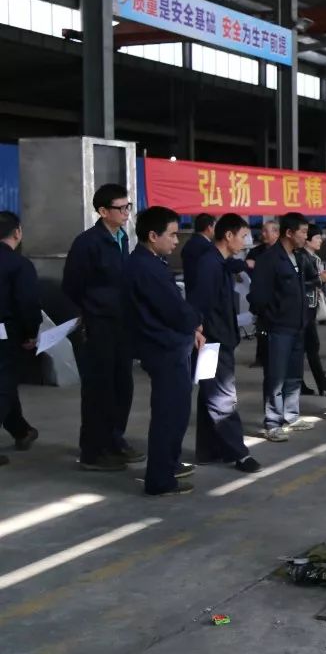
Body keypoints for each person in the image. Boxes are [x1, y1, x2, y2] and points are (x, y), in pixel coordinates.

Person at [123, 206, 205, 496]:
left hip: (167, 345)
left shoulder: (149, 263)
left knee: (174, 412)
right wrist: (195, 321)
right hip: (164, 350)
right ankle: (160, 479)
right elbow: (174, 309)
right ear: (152, 235)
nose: (175, 240)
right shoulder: (146, 268)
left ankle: (169, 465)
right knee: (169, 415)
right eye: (171, 235)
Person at [63, 183, 140, 471]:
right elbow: (71, 286)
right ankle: (93, 452)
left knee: (122, 386)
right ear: (103, 211)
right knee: (99, 389)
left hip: (121, 325)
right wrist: (91, 312)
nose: (126, 213)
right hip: (98, 326)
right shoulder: (87, 243)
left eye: (128, 207)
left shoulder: (122, 238)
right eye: (121, 208)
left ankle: (114, 440)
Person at [188, 213, 261, 473]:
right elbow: (198, 302)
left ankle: (209, 450)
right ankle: (239, 453)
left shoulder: (219, 261)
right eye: (243, 236)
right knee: (222, 397)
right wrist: (198, 330)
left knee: (210, 393)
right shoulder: (209, 264)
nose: (246, 241)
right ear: (228, 236)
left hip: (221, 337)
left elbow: (232, 266)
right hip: (212, 341)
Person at [249, 212, 316, 442]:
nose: (306, 237)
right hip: (278, 328)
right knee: (275, 377)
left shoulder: (297, 256)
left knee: (294, 375)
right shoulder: (269, 259)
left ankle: (291, 415)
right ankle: (272, 422)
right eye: (303, 232)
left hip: (297, 326)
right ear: (289, 233)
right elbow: (258, 297)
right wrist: (271, 318)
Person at [0, 212, 41, 467]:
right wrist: (30, 333)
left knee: (6, 384)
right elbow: (27, 303)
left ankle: (21, 430)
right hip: (5, 334)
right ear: (17, 232)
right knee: (3, 386)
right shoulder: (19, 265)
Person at [299, 224, 326, 397]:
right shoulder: (303, 257)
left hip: (311, 306)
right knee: (310, 346)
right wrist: (320, 280)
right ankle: (322, 384)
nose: (321, 240)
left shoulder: (313, 257)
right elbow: (300, 284)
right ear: (307, 240)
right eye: (317, 237)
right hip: (304, 307)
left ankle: (309, 383)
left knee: (309, 347)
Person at [247, 221, 280, 368]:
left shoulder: (282, 251)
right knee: (261, 329)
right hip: (261, 296)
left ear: (277, 233)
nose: (263, 234)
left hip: (278, 297)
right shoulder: (256, 252)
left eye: (267, 231)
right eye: (262, 231)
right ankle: (261, 358)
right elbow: (247, 268)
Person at [181, 214, 215, 294]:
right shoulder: (206, 246)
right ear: (209, 228)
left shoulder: (190, 242)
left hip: (191, 290)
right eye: (214, 227)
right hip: (203, 292)